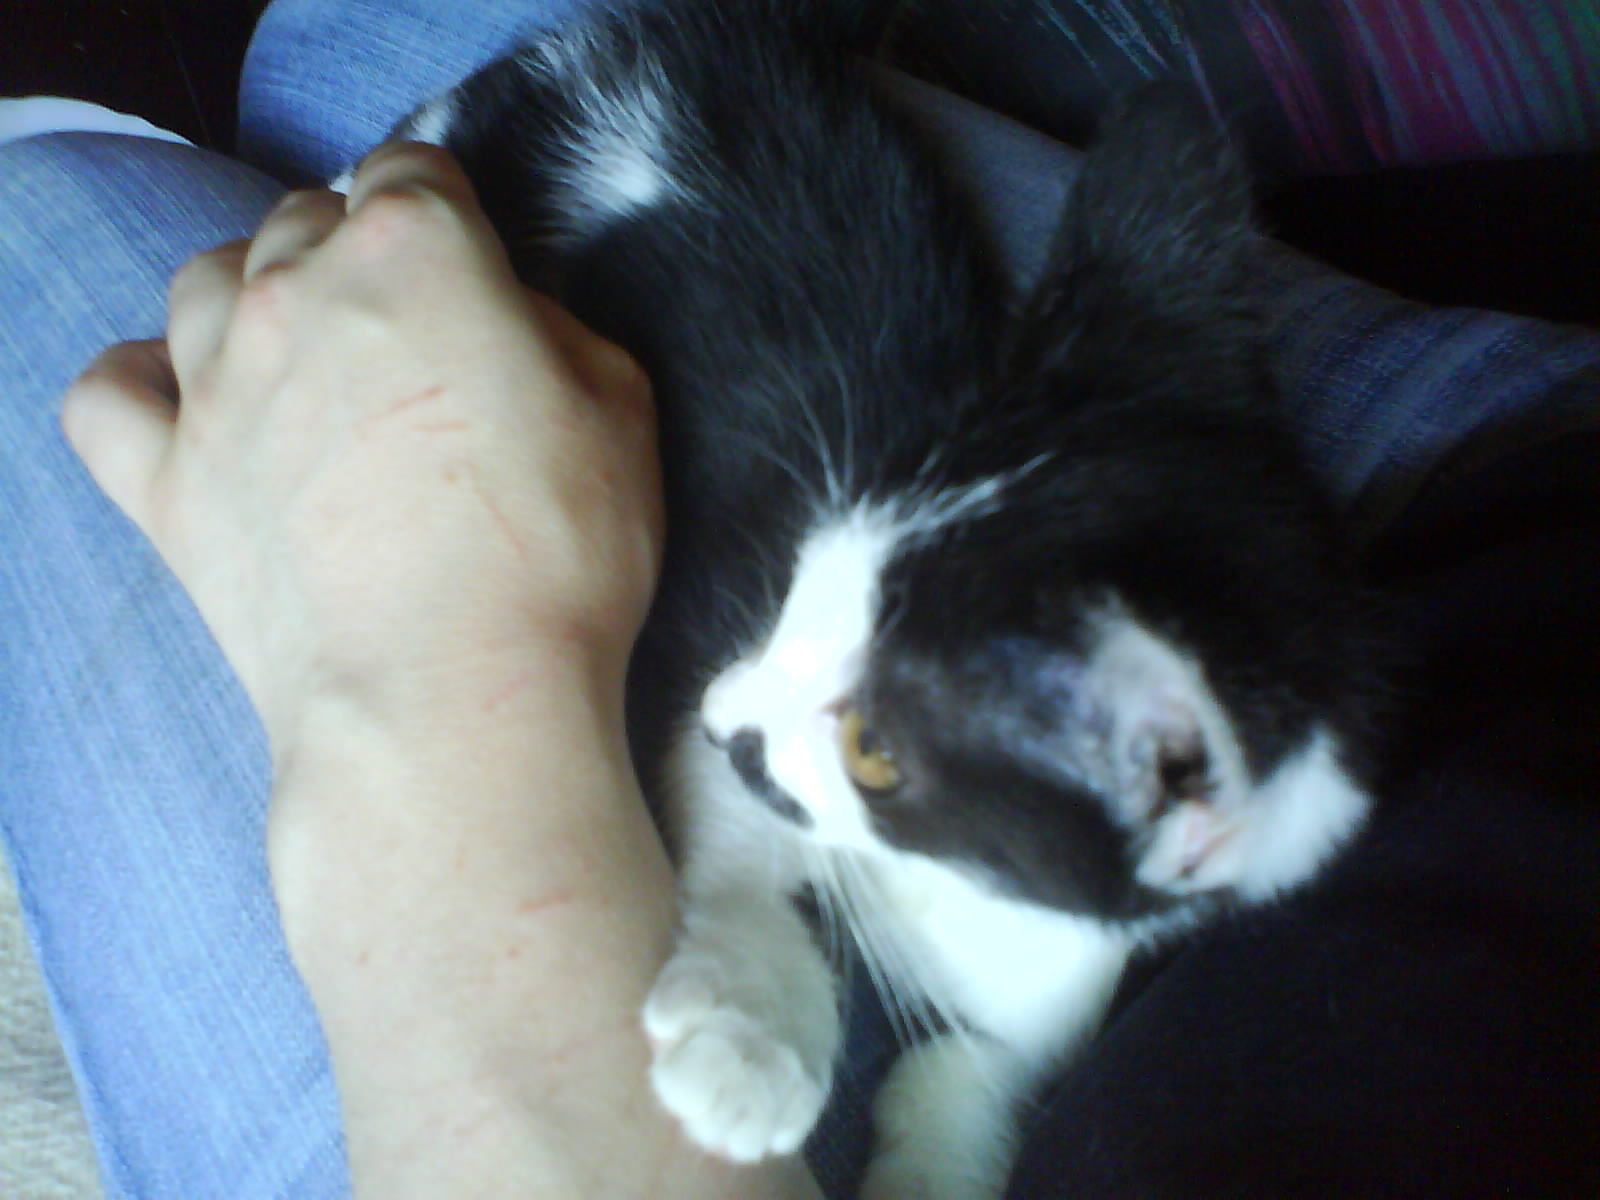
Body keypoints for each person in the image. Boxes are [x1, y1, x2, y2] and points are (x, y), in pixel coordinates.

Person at [1, 2, 1596, 1197]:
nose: (728, 706)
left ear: (1180, 805)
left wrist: (425, 690)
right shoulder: (1123, 743)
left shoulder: (1136, 776)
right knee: (328, 63)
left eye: (868, 748)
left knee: (70, 199)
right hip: (1517, 524)